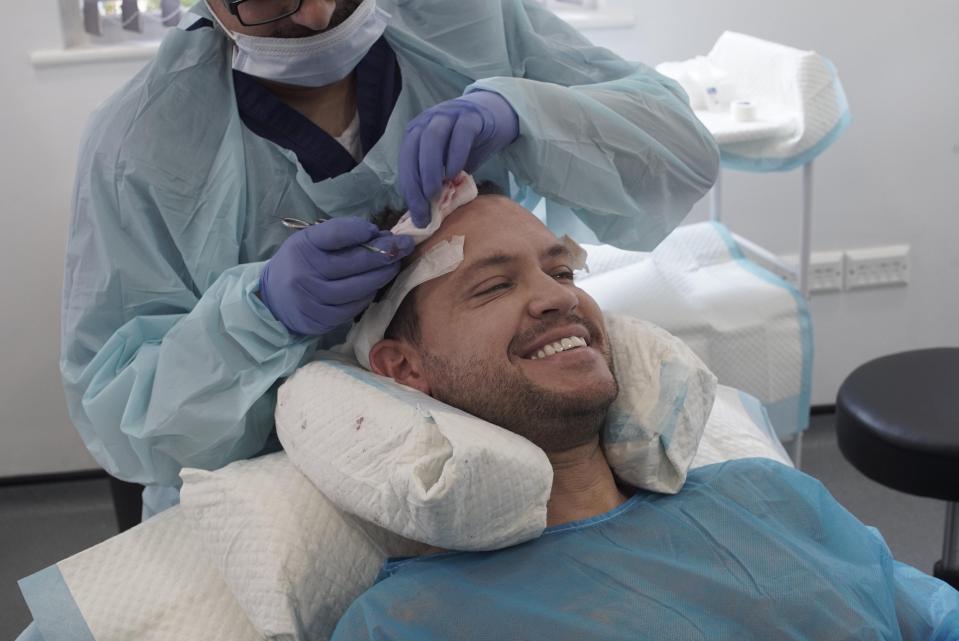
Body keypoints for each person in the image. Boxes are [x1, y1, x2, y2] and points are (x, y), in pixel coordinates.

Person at [61, 0, 720, 518]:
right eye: (489, 284)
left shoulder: (468, 19)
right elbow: (126, 420)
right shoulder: (142, 146)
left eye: (558, 268)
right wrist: (258, 317)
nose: (318, 13)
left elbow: (679, 152)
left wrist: (524, 112)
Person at [331, 192, 959, 640]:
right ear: (404, 368)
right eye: (494, 286)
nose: (559, 296)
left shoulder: (770, 497)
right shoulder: (410, 621)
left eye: (562, 270)